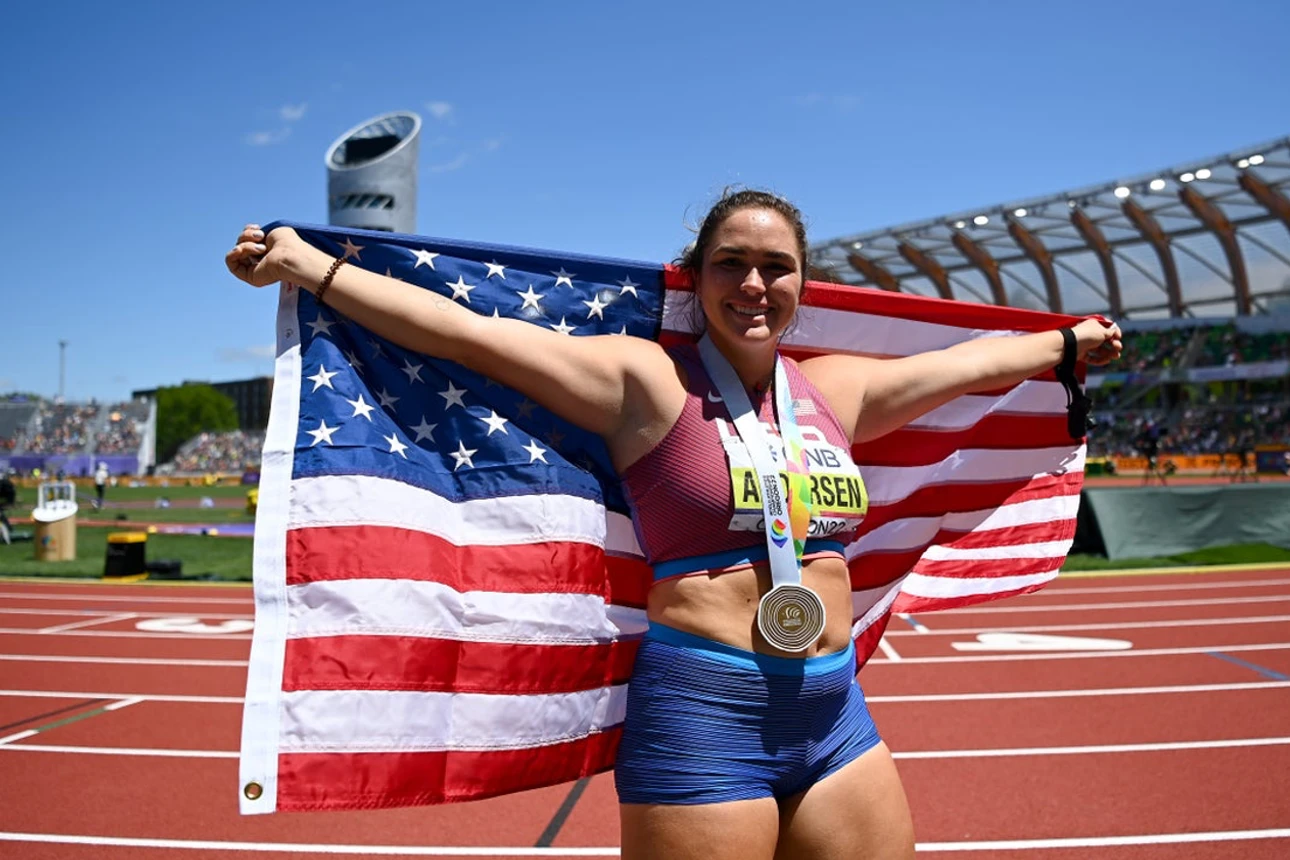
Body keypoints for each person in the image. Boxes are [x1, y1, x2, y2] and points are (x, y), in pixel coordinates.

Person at [226, 189, 1122, 860]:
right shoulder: (647, 382)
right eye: (731, 263)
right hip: (705, 716)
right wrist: (313, 270)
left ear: (803, 283)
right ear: (696, 278)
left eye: (777, 267)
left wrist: (1066, 345)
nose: (756, 283)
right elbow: (469, 338)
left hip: (833, 709)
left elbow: (970, 366)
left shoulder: (836, 391)